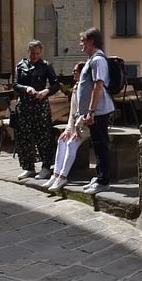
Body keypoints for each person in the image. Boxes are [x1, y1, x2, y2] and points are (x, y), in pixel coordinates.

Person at [13, 39, 60, 180]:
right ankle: (28, 167)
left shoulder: (45, 66)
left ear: (41, 53)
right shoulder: (20, 66)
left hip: (40, 106)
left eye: (37, 53)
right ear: (28, 52)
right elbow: (15, 85)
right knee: (24, 137)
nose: (34, 56)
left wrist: (46, 91)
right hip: (25, 106)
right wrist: (26, 88)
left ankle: (46, 167)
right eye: (32, 53)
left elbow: (56, 84)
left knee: (44, 137)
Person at [78, 27, 114, 195]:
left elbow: (98, 85)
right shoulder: (93, 59)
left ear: (91, 41)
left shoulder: (98, 60)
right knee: (97, 145)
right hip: (94, 111)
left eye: (83, 41)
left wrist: (91, 110)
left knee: (101, 145)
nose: (81, 44)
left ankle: (103, 180)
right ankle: (99, 176)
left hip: (98, 110)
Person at [46, 63, 87, 192]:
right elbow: (72, 112)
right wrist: (69, 129)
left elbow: (85, 111)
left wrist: (76, 129)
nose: (73, 73)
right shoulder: (75, 87)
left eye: (76, 71)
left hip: (86, 126)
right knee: (62, 139)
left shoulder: (86, 87)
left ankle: (63, 176)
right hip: (75, 125)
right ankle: (56, 174)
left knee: (71, 143)